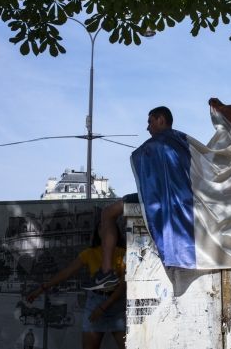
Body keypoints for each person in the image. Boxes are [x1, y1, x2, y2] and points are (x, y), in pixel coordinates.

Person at [82, 106, 173, 290]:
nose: (148, 128)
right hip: (177, 198)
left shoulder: (157, 145)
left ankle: (106, 271)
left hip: (157, 197)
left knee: (107, 212)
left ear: (161, 120)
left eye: (150, 122)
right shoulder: (180, 142)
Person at [27, 221, 126, 349]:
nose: (105, 230)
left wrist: (103, 307)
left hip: (116, 304)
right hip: (95, 302)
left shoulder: (124, 253)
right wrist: (42, 288)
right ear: (98, 233)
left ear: (115, 231)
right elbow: (67, 272)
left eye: (109, 226)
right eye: (101, 227)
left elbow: (124, 284)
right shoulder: (90, 253)